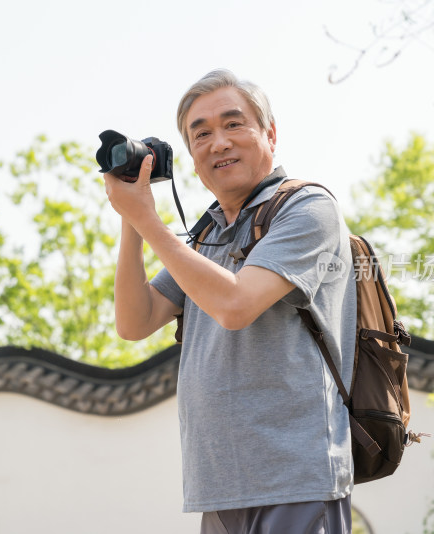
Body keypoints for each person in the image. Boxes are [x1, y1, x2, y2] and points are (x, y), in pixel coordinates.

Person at [103, 69, 356, 534]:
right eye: (201, 134)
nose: (218, 142)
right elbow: (134, 322)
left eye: (233, 124)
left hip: (295, 477)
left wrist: (150, 222)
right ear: (192, 160)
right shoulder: (205, 237)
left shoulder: (307, 208)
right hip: (219, 485)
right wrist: (132, 219)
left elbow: (236, 306)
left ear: (270, 134)